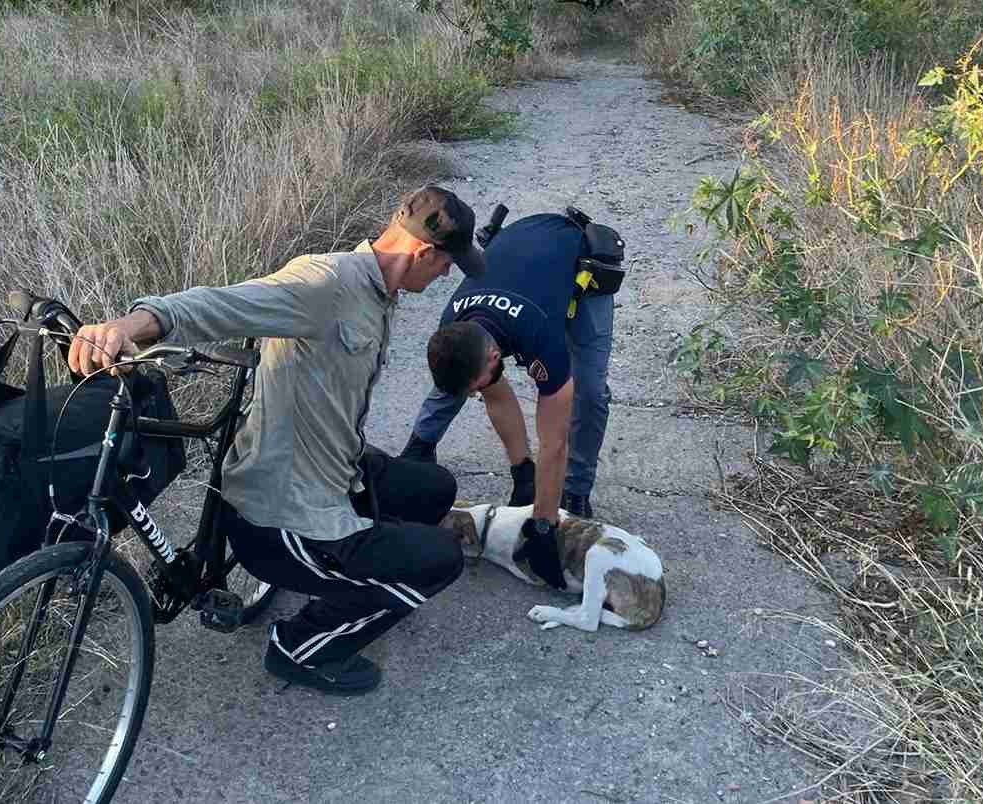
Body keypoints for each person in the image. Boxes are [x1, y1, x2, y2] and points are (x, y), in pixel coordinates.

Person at [67, 186, 485, 696]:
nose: (446, 277)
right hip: (282, 514)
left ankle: (365, 578)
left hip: (336, 472)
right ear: (424, 253)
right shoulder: (326, 282)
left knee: (435, 489)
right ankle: (299, 648)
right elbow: (220, 305)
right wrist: (124, 326)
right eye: (448, 266)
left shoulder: (381, 291)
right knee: (441, 559)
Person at [399, 211, 615, 590]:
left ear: (495, 357)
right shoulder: (454, 323)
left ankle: (578, 491)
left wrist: (543, 524)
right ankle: (417, 450)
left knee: (589, 394)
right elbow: (492, 392)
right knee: (460, 378)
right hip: (520, 252)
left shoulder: (540, 338)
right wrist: (523, 472)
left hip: (580, 261)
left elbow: (554, 443)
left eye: (477, 385)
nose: (475, 395)